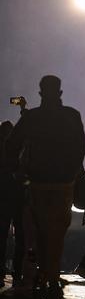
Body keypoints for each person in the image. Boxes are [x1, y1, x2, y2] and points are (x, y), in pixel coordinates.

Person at [6, 75, 85, 299]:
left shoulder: (32, 118)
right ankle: (51, 276)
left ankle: (43, 272)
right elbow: (80, 147)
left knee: (39, 231)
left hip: (37, 182)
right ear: (60, 91)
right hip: (62, 184)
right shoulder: (71, 115)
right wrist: (72, 172)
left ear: (41, 92)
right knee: (56, 233)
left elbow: (11, 144)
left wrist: (17, 171)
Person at [0, 120, 25, 288]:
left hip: (5, 198)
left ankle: (2, 272)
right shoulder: (19, 151)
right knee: (21, 237)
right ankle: (18, 272)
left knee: (2, 236)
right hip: (18, 197)